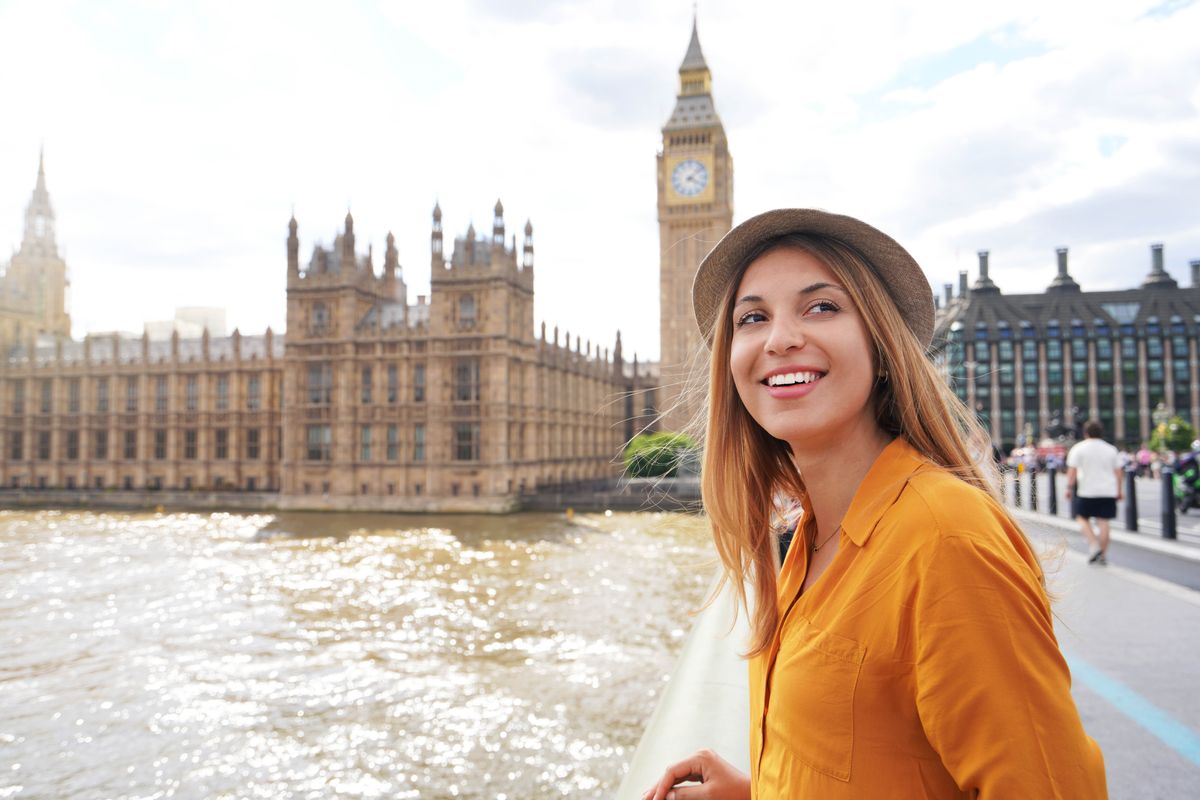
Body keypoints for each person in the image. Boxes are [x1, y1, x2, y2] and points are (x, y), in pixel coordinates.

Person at [643, 209, 1106, 799]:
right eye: (752, 317)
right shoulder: (809, 540)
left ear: (881, 345)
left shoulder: (944, 538)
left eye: (821, 306)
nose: (781, 337)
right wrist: (760, 790)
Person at [1066, 420, 1125, 565]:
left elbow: (1072, 471)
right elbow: (1118, 473)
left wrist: (1068, 488)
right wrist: (1119, 490)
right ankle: (1103, 555)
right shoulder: (1111, 449)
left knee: (1081, 518)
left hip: (1086, 491)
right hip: (1107, 491)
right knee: (1103, 521)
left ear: (1085, 433)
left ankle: (1093, 544)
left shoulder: (1079, 448)